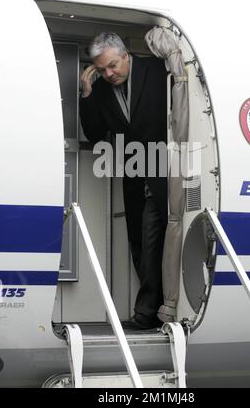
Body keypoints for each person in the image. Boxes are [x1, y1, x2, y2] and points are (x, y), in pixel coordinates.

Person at [80, 32, 168, 330]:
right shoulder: (102, 90)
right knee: (139, 243)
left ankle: (148, 313)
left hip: (164, 173)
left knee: (154, 238)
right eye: (102, 69)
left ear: (126, 55)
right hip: (132, 176)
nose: (109, 73)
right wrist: (88, 91)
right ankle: (152, 311)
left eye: (113, 65)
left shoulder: (158, 72)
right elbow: (94, 134)